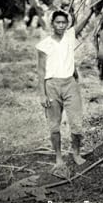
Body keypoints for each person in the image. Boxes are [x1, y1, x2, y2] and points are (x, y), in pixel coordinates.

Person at [36, 9, 89, 172]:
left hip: (70, 84)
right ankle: (58, 157)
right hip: (51, 85)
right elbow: (40, 71)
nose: (60, 25)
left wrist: (92, 10)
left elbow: (82, 24)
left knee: (76, 123)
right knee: (54, 126)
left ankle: (76, 153)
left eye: (63, 22)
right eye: (57, 22)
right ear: (52, 24)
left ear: (67, 24)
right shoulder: (43, 45)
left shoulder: (69, 37)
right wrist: (42, 94)